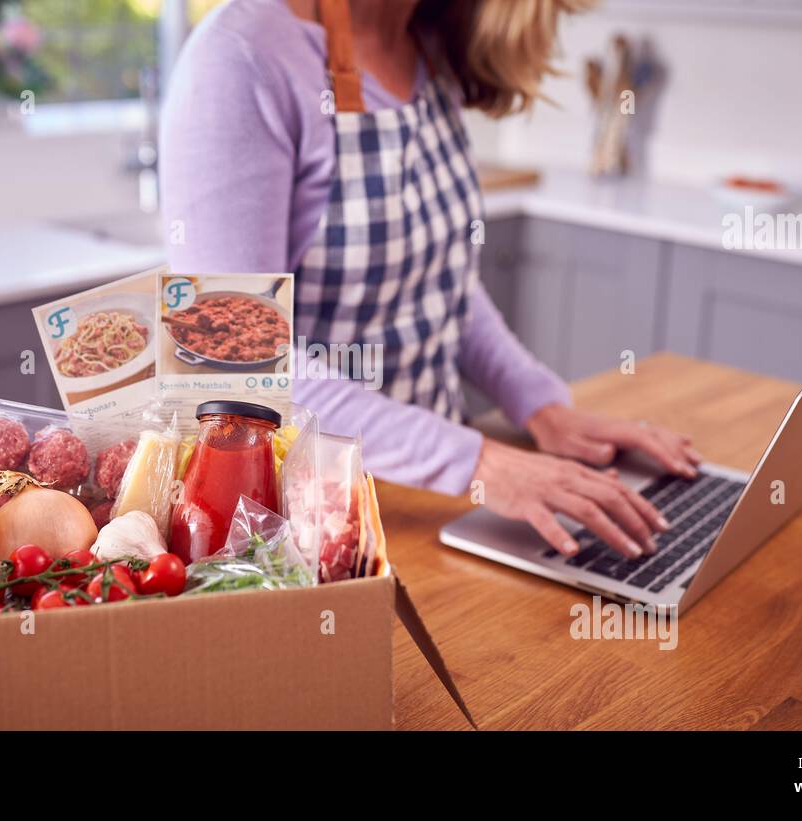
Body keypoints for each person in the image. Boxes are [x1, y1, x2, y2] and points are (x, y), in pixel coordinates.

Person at [159, 0, 701, 559]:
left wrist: (540, 406)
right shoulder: (240, 59)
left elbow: (440, 287)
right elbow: (234, 363)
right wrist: (479, 462)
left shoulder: (429, 45)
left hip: (440, 502)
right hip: (303, 532)